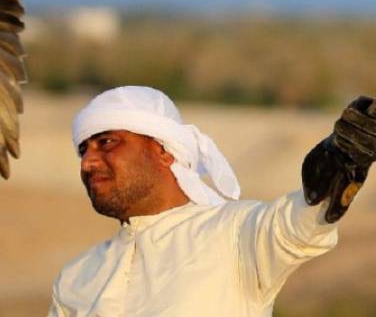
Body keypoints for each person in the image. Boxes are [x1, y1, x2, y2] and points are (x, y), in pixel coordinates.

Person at [46, 86, 376, 317]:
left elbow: (296, 225)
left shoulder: (232, 234)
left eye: (106, 142)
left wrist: (340, 162)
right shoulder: (76, 277)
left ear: (163, 149)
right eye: (83, 149)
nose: (88, 162)